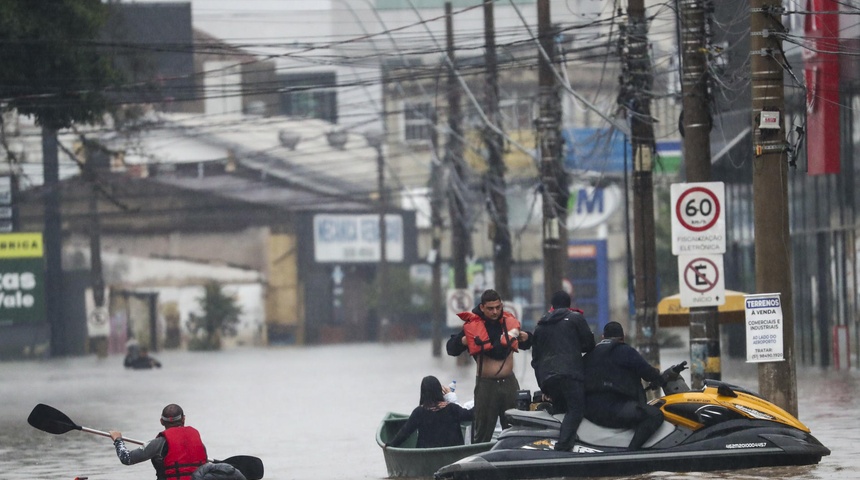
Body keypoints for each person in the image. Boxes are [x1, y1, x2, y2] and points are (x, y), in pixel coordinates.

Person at [446, 289, 532, 443]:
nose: (495, 312)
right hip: (486, 385)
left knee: (516, 428)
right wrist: (463, 341)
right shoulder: (473, 325)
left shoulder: (508, 323)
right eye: (491, 308)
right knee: (483, 431)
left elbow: (529, 344)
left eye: (498, 307)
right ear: (482, 307)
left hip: (509, 383)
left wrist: (527, 337)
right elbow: (451, 349)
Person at [583, 321, 665, 450]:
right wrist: (660, 379)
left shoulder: (590, 355)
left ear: (603, 337)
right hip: (615, 409)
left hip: (590, 410)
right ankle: (632, 452)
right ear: (623, 337)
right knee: (655, 415)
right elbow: (647, 372)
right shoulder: (625, 351)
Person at [530, 291, 596, 451]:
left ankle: (554, 443)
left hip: (547, 378)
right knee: (576, 409)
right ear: (569, 304)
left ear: (552, 306)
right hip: (570, 374)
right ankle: (564, 445)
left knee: (559, 410)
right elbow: (589, 345)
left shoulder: (540, 326)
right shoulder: (575, 319)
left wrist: (543, 385)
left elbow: (536, 359)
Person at [109, 404, 208, 480]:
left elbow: (127, 458)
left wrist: (118, 440)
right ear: (184, 419)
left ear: (161, 421)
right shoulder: (198, 442)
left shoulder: (159, 443)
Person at [385, 375, 473, 449]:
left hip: (426, 456)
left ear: (422, 393)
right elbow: (471, 415)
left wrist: (391, 444)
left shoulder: (419, 412)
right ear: (440, 391)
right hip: (454, 454)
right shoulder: (452, 408)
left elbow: (405, 432)